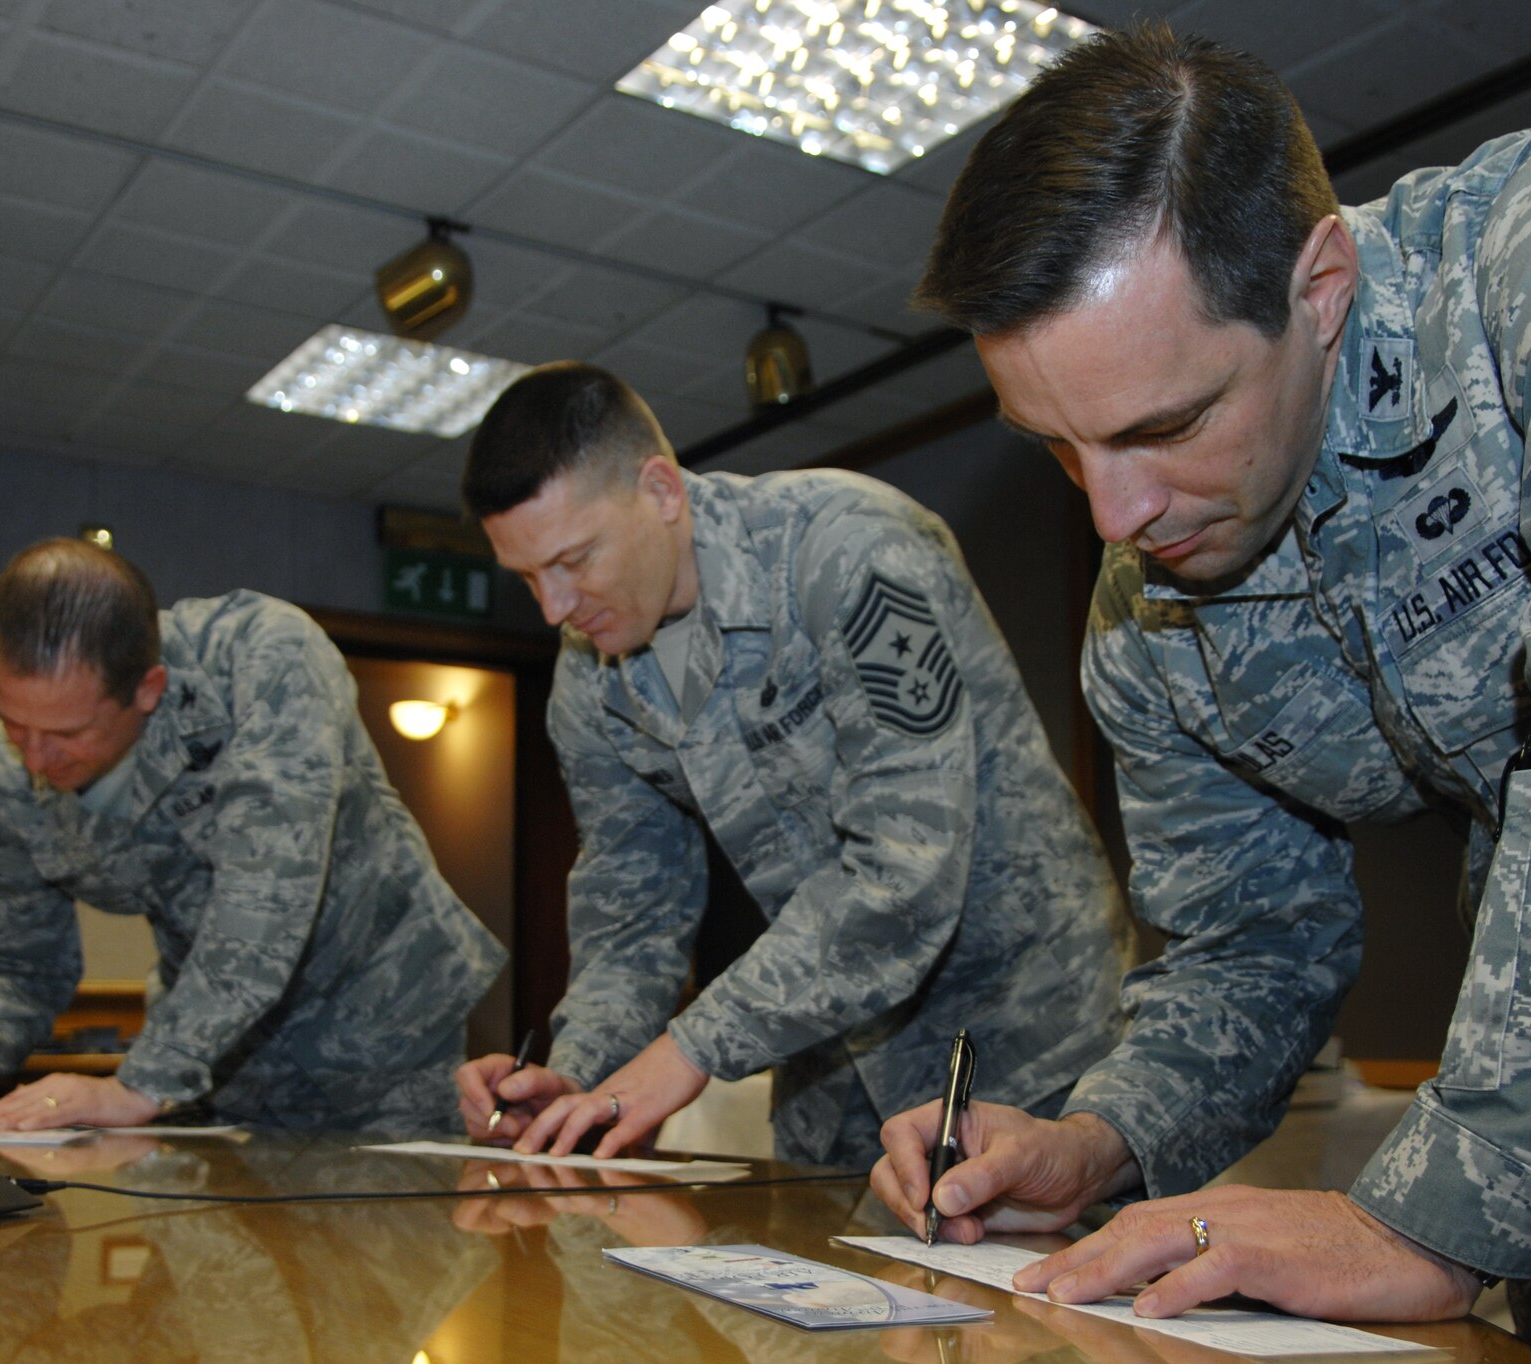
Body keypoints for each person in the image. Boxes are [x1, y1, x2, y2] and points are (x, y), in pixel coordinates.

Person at [867, 23, 1531, 1361]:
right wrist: (1100, 1137)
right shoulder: (1151, 618)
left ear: (1320, 286)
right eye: (1058, 448)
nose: (1114, 512)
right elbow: (1251, 947)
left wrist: (1439, 1217)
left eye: (1163, 427)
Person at [451, 361, 1128, 1169]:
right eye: (528, 577)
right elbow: (631, 910)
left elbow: (903, 868)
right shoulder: (591, 679)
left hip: (1024, 1047)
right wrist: (580, 1075)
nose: (554, 607)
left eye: (575, 559)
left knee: (1051, 1295)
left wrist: (691, 1047)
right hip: (835, 1069)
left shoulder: (847, 552)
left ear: (662, 491)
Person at [0, 538, 506, 1134]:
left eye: (66, 734)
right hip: (223, 1064)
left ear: (148, 689)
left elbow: (266, 889)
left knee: (400, 1239)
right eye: (11, 723)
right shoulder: (2, 781)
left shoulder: (262, 657)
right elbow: (13, 964)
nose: (34, 758)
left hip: (390, 1034)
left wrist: (141, 1083)